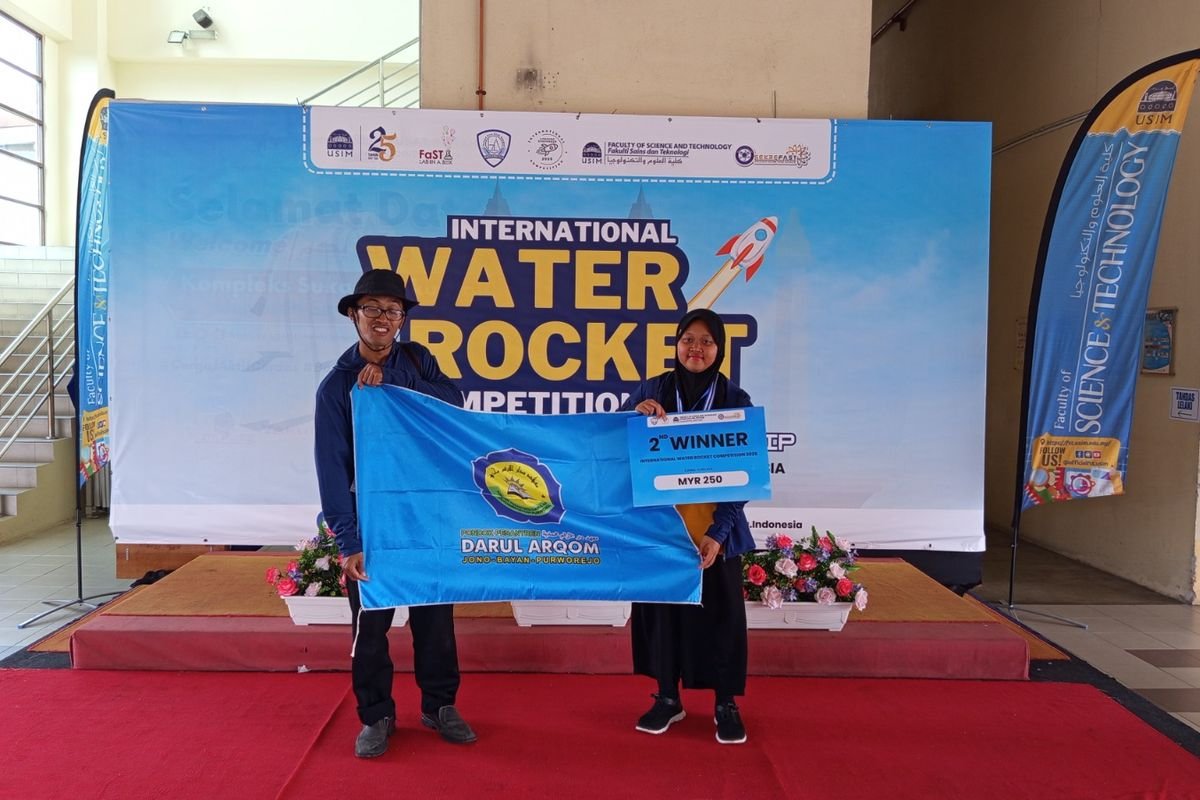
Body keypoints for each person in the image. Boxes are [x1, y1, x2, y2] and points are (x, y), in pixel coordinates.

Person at [314, 269, 477, 758]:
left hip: (427, 517)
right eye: (372, 309)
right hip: (374, 526)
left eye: (393, 310)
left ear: (402, 319)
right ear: (353, 315)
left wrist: (394, 381)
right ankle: (377, 714)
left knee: (436, 619)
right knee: (370, 629)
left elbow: (455, 402)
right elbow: (331, 469)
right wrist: (349, 541)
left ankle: (440, 705)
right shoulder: (336, 387)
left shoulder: (418, 361)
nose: (382, 319)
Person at [621, 308, 755, 745]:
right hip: (661, 529)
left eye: (707, 341)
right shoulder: (653, 388)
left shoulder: (735, 399)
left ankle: (725, 704)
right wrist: (633, 414)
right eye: (688, 340)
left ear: (720, 349)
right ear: (676, 344)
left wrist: (718, 533)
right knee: (661, 617)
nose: (696, 348)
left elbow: (743, 476)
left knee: (722, 619)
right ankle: (666, 698)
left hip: (715, 532)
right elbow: (614, 439)